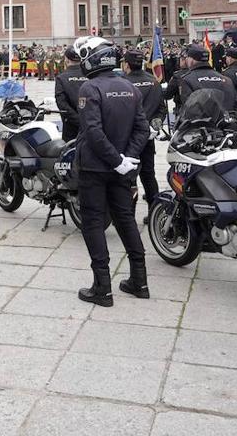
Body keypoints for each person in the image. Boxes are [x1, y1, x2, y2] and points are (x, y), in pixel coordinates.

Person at [72, 36, 149, 306]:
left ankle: (102, 287)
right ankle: (139, 280)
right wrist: (127, 157)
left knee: (93, 222)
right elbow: (143, 128)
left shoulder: (90, 88)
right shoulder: (129, 88)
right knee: (125, 218)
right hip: (122, 166)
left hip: (96, 166)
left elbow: (93, 131)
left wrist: (117, 159)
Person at [121, 50, 162, 217]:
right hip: (147, 137)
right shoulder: (154, 82)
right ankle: (155, 213)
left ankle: (128, 216)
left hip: (127, 139)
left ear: (127, 64)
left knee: (128, 179)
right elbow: (161, 109)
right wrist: (154, 124)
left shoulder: (122, 83)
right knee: (148, 175)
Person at [162, 44, 237, 110]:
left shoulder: (186, 80)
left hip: (197, 123)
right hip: (223, 122)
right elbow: (236, 105)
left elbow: (188, 108)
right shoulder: (225, 79)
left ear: (191, 60)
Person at [55, 47, 87, 141]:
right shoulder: (90, 75)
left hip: (71, 127)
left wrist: (78, 120)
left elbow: (62, 104)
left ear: (66, 59)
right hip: (92, 123)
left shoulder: (62, 78)